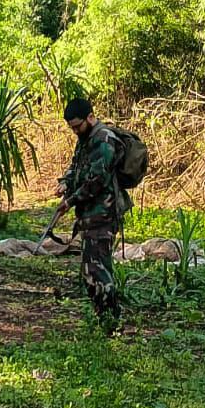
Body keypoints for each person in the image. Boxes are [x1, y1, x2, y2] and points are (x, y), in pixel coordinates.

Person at [56, 96, 130, 332]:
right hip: (89, 215)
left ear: (90, 117)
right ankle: (103, 319)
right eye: (72, 128)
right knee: (91, 271)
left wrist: (70, 201)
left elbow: (97, 181)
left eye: (77, 126)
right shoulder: (85, 139)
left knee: (98, 272)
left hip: (103, 215)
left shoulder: (104, 140)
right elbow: (76, 167)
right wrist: (65, 183)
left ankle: (111, 323)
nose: (75, 131)